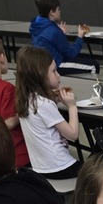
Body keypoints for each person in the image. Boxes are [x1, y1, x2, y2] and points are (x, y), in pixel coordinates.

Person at [15, 46, 81, 178]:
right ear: (40, 75)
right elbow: (73, 134)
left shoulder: (26, 98)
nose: (58, 74)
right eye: (54, 71)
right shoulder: (44, 104)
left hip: (40, 168)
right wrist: (72, 106)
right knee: (97, 169)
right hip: (59, 167)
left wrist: (53, 100)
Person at [0, 33, 30, 168]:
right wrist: (25, 106)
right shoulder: (7, 89)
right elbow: (9, 122)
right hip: (16, 156)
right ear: (2, 57)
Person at [29, 0, 97, 74]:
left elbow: (48, 41)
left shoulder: (36, 25)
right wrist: (80, 36)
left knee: (82, 60)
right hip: (56, 65)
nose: (60, 11)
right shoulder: (53, 31)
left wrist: (61, 33)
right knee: (94, 66)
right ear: (52, 12)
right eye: (58, 9)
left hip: (42, 64)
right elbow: (71, 53)